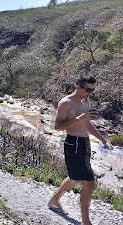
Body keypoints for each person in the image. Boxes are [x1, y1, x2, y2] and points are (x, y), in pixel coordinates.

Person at [48, 74, 113, 225]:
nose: (90, 93)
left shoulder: (83, 101)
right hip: (73, 143)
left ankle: (54, 200)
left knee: (75, 177)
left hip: (84, 143)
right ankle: (86, 222)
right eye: (87, 90)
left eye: (92, 90)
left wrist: (104, 140)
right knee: (89, 182)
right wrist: (80, 118)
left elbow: (88, 125)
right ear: (78, 87)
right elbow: (57, 126)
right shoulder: (66, 103)